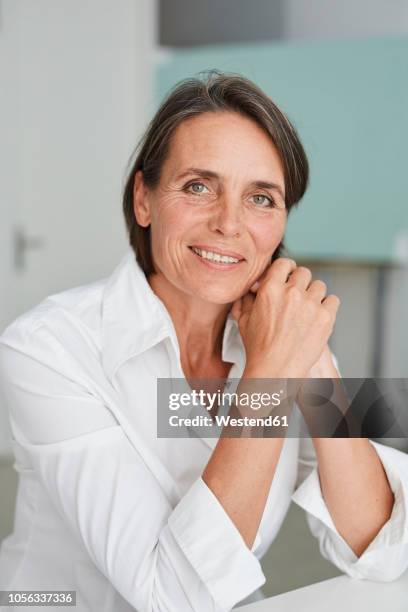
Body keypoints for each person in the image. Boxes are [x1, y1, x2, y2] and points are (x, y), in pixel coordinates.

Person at [0, 71, 407, 612]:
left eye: (261, 198)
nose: (230, 223)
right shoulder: (46, 348)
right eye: (198, 186)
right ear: (143, 199)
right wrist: (268, 374)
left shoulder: (281, 338)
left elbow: (380, 548)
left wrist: (314, 360)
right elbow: (169, 598)